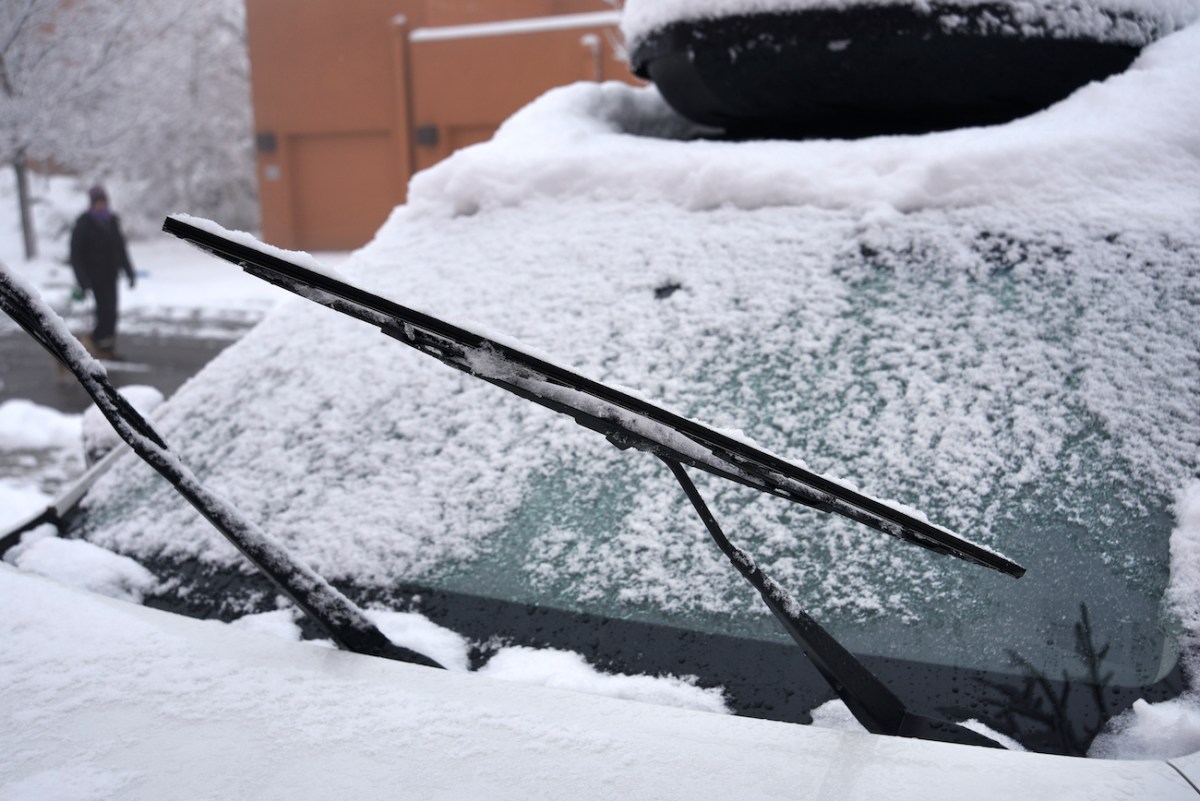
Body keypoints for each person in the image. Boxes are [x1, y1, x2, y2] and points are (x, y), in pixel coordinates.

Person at [70, 185, 136, 359]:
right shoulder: (84, 223)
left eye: (103, 202)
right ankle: (100, 346)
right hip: (93, 277)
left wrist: (129, 271)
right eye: (98, 202)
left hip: (110, 275)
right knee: (103, 313)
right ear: (92, 203)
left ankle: (106, 347)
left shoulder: (112, 221)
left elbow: (120, 248)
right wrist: (82, 280)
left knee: (112, 313)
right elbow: (76, 255)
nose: (101, 205)